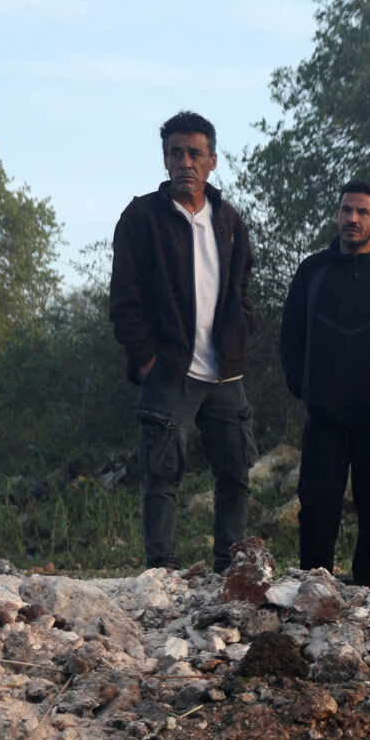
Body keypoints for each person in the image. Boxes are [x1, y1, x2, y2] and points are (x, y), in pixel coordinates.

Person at [107, 110, 257, 572]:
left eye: (194, 153)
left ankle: (230, 570)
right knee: (162, 476)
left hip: (225, 371)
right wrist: (148, 360)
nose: (184, 161)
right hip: (169, 370)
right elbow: (124, 302)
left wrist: (241, 334)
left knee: (235, 474)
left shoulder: (229, 220)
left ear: (212, 160)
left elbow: (244, 289)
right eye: (175, 152)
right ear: (165, 158)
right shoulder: (141, 218)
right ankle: (162, 573)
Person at [279, 178, 370, 587]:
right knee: (316, 507)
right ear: (337, 214)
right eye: (347, 210)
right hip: (323, 417)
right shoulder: (313, 270)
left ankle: (366, 588)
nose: (353, 218)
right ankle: (313, 587)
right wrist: (301, 383)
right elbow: (291, 335)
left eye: (363, 212)